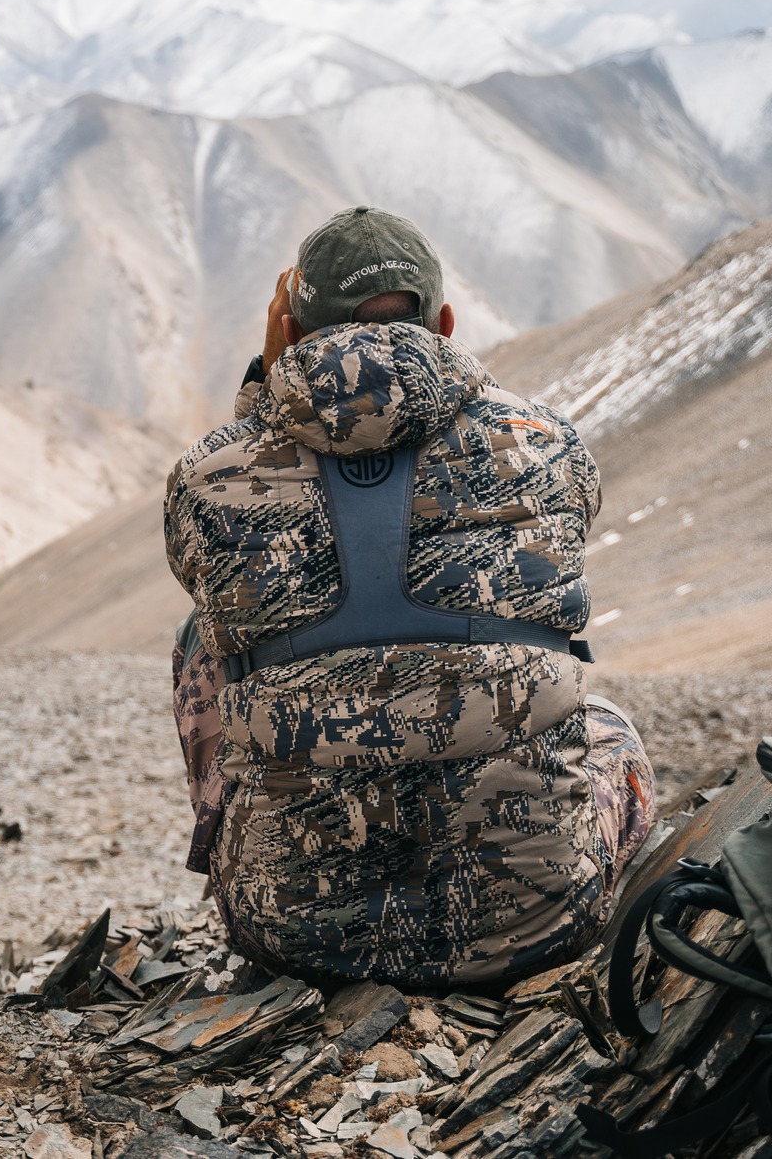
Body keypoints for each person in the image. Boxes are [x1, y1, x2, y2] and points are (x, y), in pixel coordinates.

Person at [164, 206, 656, 989]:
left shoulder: (206, 476)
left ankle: (239, 851)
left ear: (289, 330)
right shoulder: (548, 442)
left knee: (208, 634)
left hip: (291, 935)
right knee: (608, 728)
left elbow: (222, 559)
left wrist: (266, 395)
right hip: (537, 923)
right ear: (447, 324)